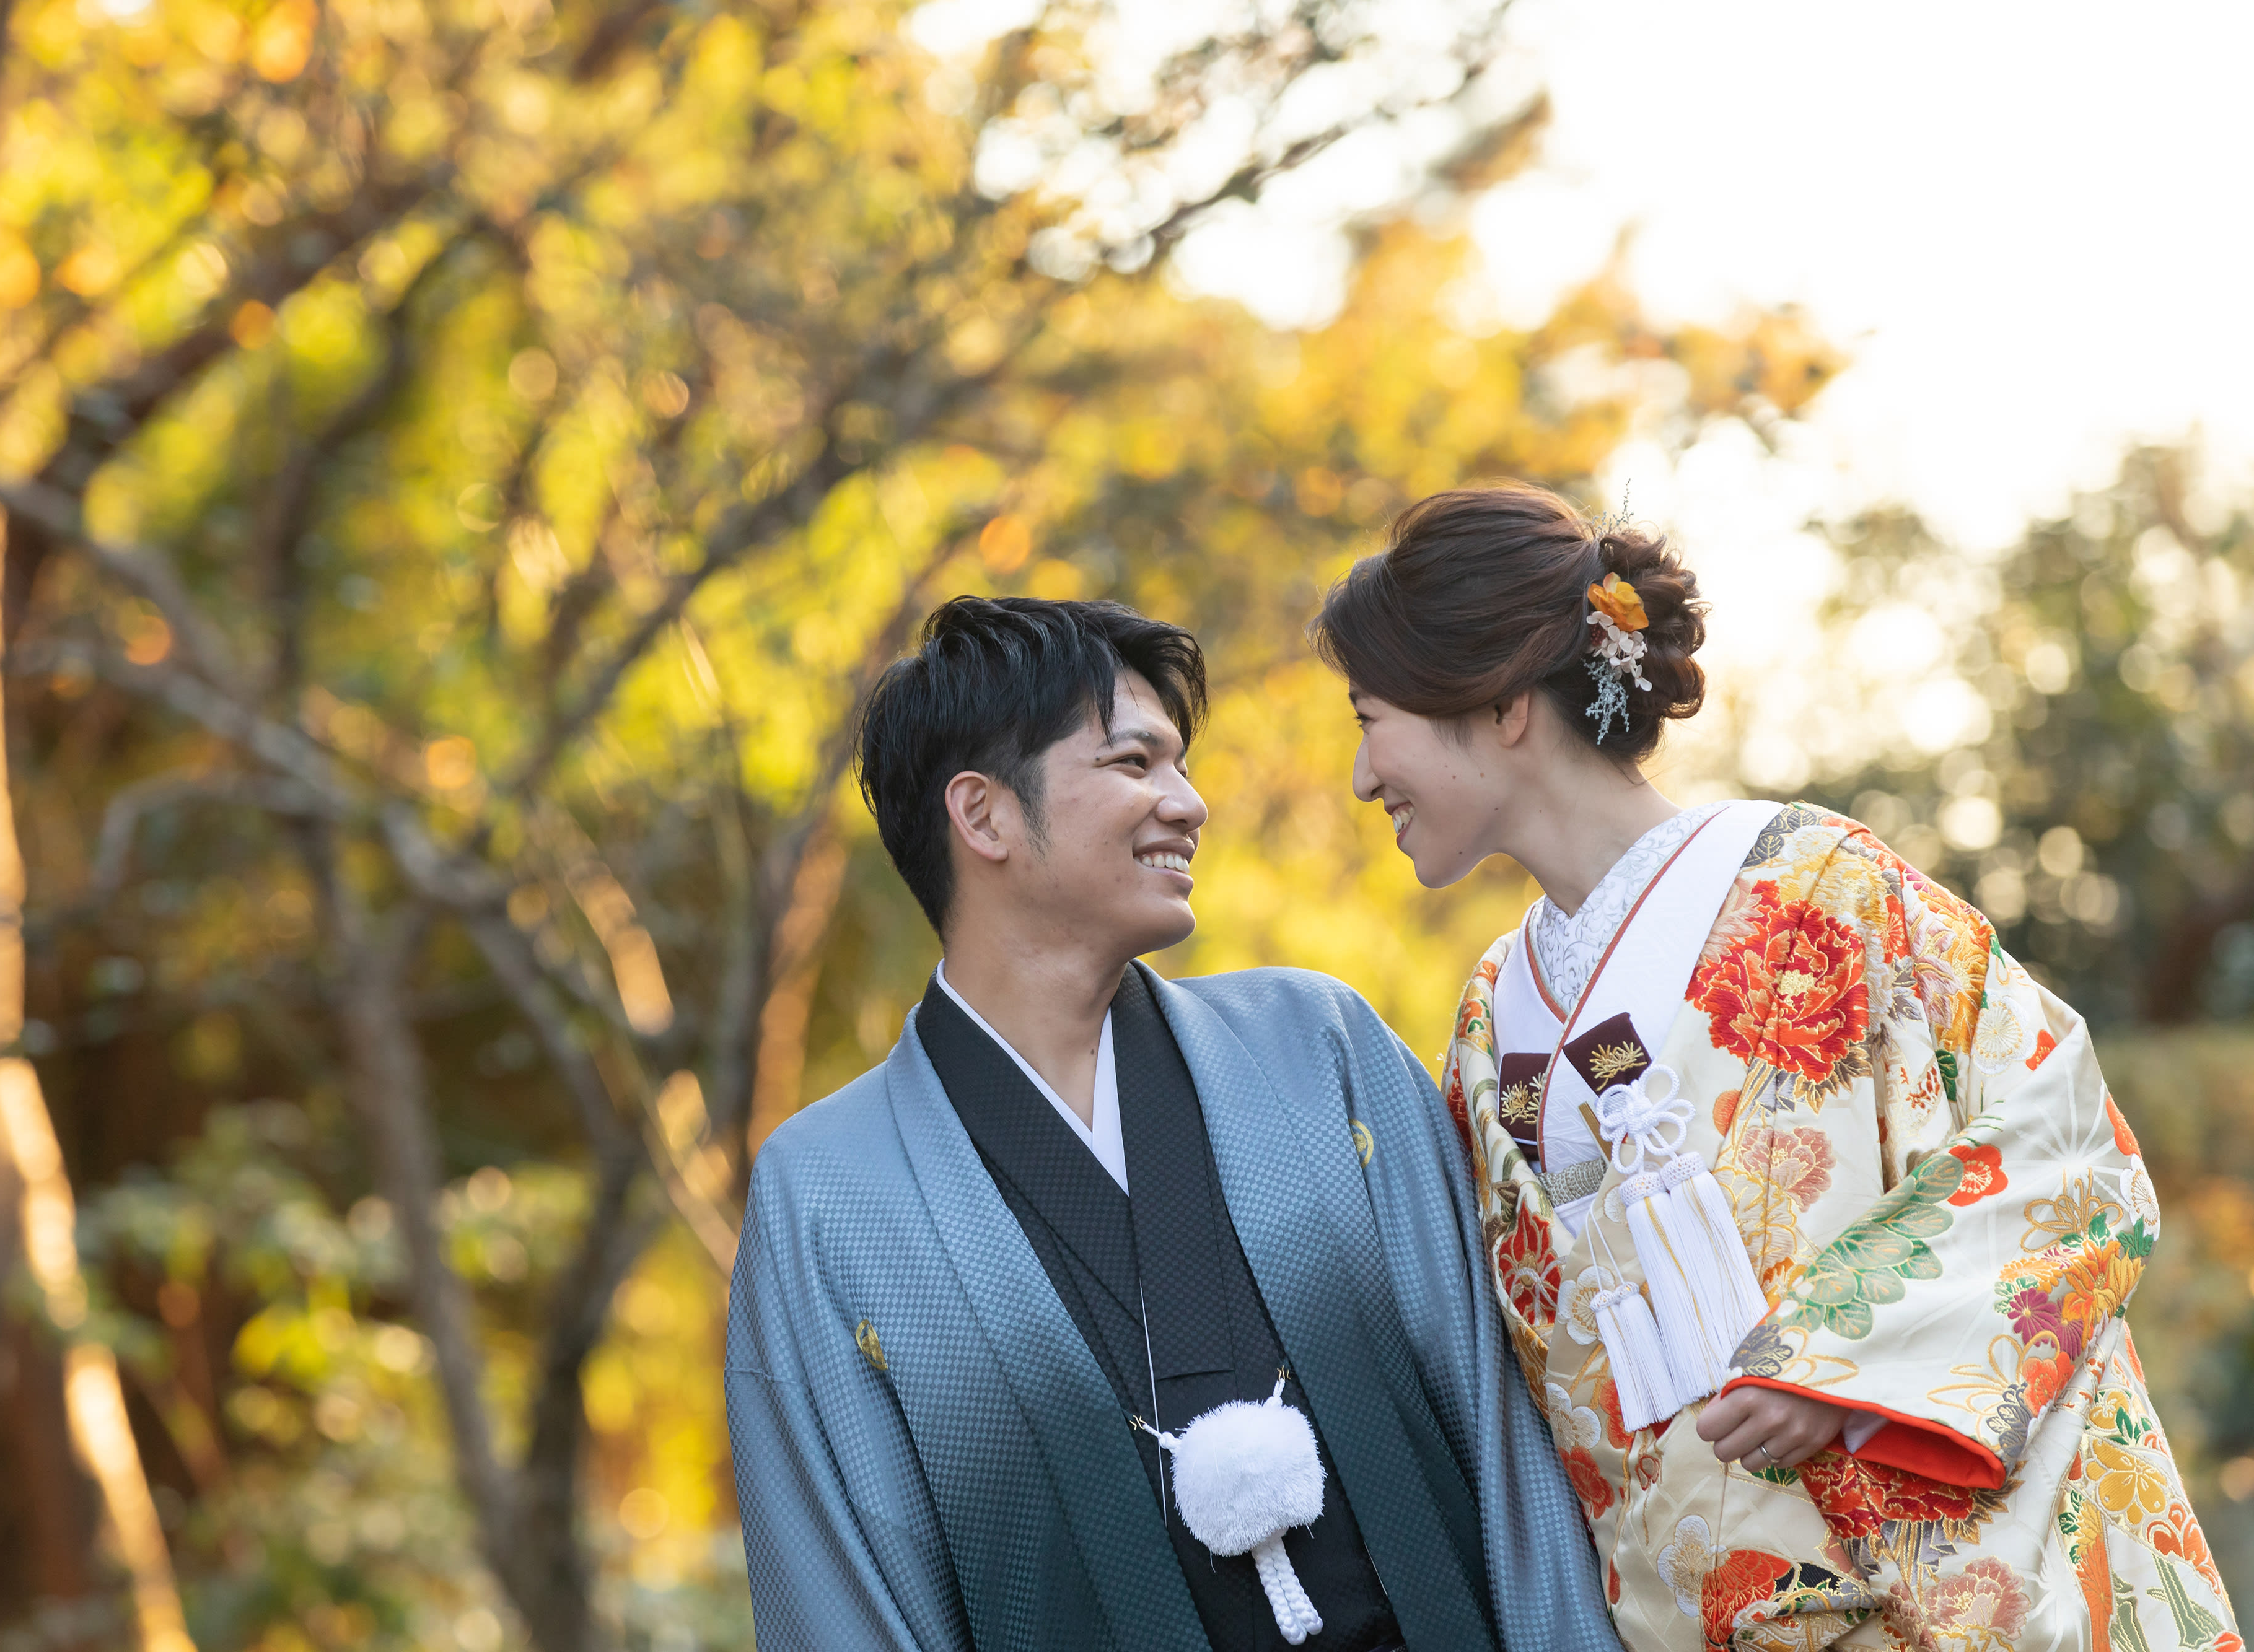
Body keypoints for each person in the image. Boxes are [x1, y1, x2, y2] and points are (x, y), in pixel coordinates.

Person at [1313, 482, 2239, 1651]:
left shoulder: (1822, 888)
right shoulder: (1494, 1020)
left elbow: (2064, 1143)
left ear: (1499, 702)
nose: (1362, 776)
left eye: (1371, 719)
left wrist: (1840, 1359)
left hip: (1928, 1589)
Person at [726, 596, 1621, 1652]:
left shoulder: (1315, 1044)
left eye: (1181, 766)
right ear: (983, 816)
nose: (1189, 803)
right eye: (1134, 763)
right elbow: (840, 1601)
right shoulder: (828, 1194)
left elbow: (1510, 1432)